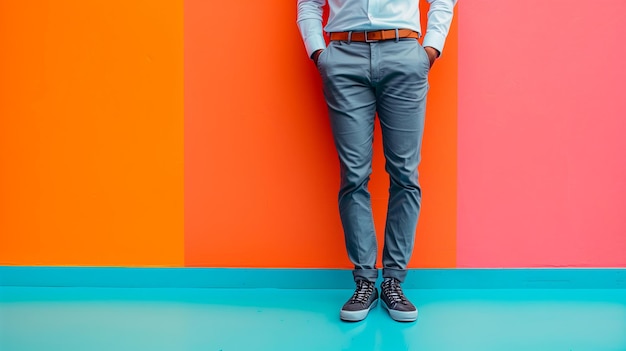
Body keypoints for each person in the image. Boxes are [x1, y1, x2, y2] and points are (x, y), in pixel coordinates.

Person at [297, 0, 457, 322]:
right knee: (354, 176)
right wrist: (319, 53)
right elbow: (309, 4)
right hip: (343, 56)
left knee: (405, 175)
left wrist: (430, 50)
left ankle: (394, 282)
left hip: (404, 55)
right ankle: (365, 282)